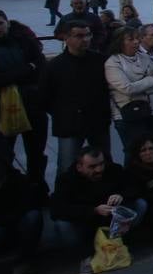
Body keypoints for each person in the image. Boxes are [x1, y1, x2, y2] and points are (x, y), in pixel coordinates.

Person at [0, 8, 49, 187]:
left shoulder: (25, 41)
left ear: (7, 23)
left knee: (36, 151)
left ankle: (37, 189)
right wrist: (27, 68)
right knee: (4, 152)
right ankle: (9, 191)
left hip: (32, 103)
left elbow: (41, 66)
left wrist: (12, 75)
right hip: (2, 107)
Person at [42, 20, 112, 174]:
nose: (85, 39)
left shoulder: (100, 60)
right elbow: (45, 97)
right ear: (66, 38)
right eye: (79, 36)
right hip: (69, 124)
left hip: (97, 121)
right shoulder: (54, 66)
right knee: (67, 166)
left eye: (88, 35)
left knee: (104, 163)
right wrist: (62, 113)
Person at [49, 147, 143, 258]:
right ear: (79, 167)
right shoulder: (66, 180)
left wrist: (121, 196)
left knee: (140, 204)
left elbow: (136, 186)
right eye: (92, 167)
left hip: (111, 223)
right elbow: (58, 210)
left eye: (101, 164)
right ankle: (85, 256)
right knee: (62, 226)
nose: (99, 169)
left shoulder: (113, 169)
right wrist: (93, 210)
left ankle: (120, 244)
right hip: (85, 225)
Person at [105, 26, 153, 156]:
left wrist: (140, 87)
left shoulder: (144, 57)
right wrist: (151, 79)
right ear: (120, 42)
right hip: (129, 114)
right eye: (131, 39)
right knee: (135, 153)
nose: (136, 42)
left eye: (137, 39)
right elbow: (127, 88)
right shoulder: (113, 62)